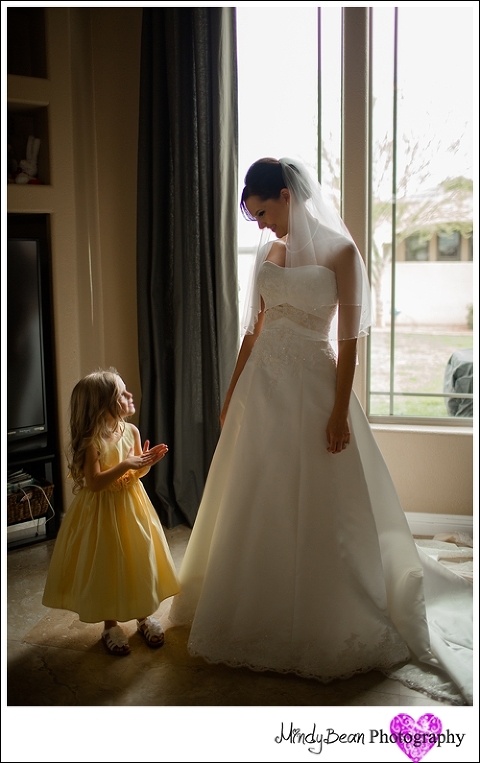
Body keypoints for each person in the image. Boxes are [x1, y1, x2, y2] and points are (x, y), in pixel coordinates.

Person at [169, 158, 471, 703]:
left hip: (314, 388)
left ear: (286, 196)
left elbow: (349, 342)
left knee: (318, 499)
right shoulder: (269, 252)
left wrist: (338, 412)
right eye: (255, 218)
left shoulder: (341, 252)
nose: (262, 226)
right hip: (262, 390)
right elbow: (254, 329)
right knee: (256, 494)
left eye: (264, 213)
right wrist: (232, 392)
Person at [42, 368, 180, 655]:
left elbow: (135, 473)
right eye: (121, 393)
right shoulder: (91, 442)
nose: (129, 395)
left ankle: (143, 616)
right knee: (108, 563)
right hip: (101, 513)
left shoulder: (131, 431)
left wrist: (144, 464)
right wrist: (126, 464)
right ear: (102, 405)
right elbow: (94, 483)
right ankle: (110, 625)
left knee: (138, 557)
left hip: (131, 506)